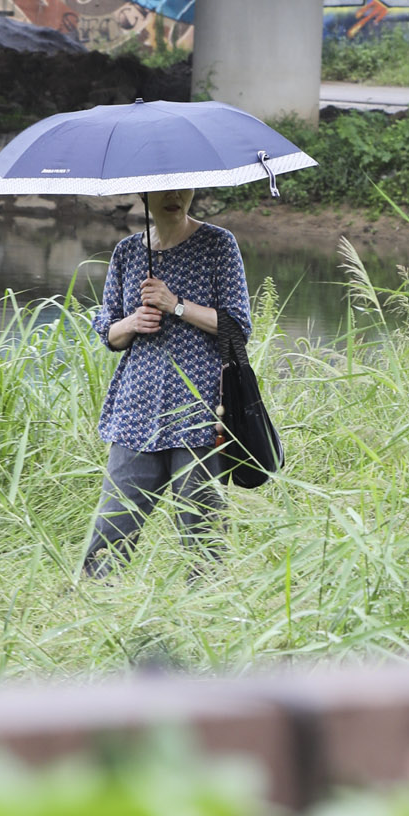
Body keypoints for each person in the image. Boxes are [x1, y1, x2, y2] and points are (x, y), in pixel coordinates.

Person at [85, 187, 251, 578]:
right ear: (144, 192)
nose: (175, 195)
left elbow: (236, 328)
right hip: (135, 412)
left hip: (200, 412)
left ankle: (205, 618)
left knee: (203, 536)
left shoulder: (217, 245)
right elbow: (109, 333)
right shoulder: (127, 252)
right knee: (111, 528)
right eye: (164, 188)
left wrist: (175, 304)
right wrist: (131, 323)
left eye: (183, 187)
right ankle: (93, 614)